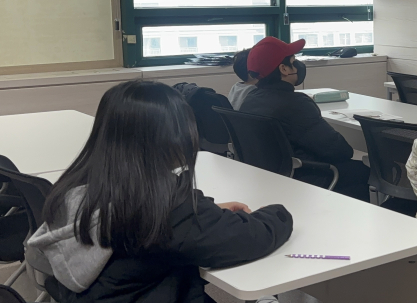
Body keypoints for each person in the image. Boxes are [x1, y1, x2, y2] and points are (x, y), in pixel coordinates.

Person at [29, 80, 293, 303]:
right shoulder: (162, 209)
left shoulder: (77, 188)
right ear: (174, 137)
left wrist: (206, 212)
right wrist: (277, 212)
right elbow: (251, 237)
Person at [239, 37, 370, 201]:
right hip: (304, 176)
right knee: (360, 170)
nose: (298, 66)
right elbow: (339, 150)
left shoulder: (251, 98)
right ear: (284, 69)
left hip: (268, 177)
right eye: (293, 62)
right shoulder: (295, 104)